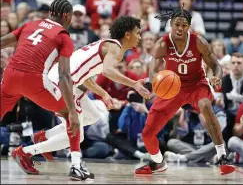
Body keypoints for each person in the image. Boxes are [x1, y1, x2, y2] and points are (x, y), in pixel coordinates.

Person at [24, 16, 150, 180]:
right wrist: (134, 84)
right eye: (138, 33)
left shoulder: (106, 45)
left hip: (68, 82)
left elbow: (84, 76)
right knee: (78, 134)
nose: (139, 37)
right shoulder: (115, 48)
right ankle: (26, 152)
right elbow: (108, 72)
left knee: (93, 116)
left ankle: (44, 137)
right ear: (127, 34)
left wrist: (104, 93)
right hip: (59, 84)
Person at [135, 8, 235, 175]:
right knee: (147, 133)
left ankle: (222, 155)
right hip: (172, 88)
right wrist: (155, 81)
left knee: (205, 105)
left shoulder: (198, 42)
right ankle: (158, 162)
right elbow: (153, 68)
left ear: (189, 26)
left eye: (184, 25)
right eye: (177, 25)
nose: (180, 28)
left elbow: (216, 65)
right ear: (171, 25)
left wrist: (217, 77)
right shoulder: (162, 43)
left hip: (196, 85)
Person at [0, 0, 86, 179]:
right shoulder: (63, 36)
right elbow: (64, 76)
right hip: (33, 79)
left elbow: (2, 42)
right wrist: (71, 110)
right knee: (72, 115)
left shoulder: (31, 24)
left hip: (10, 74)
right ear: (66, 15)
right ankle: (76, 166)